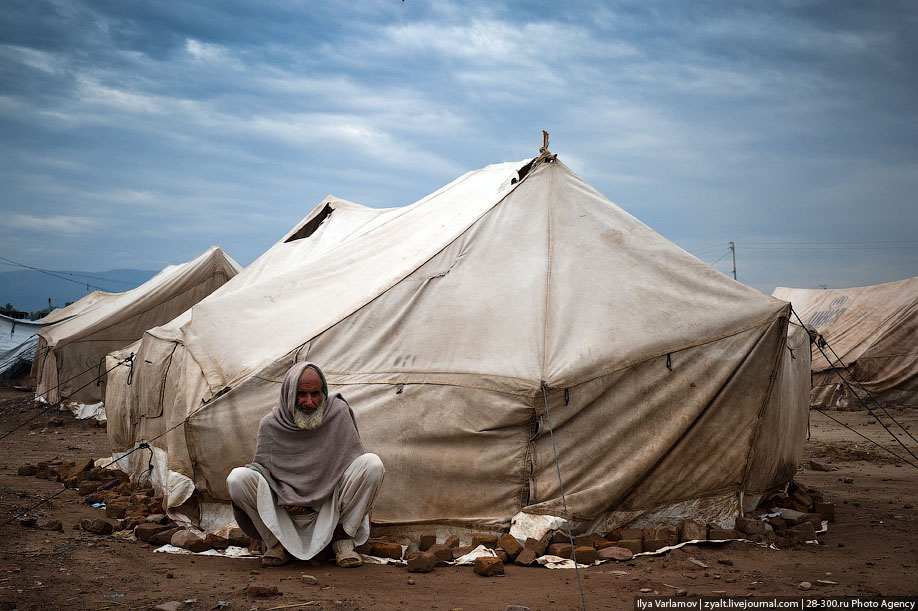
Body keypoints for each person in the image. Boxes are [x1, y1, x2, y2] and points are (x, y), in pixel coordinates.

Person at [226, 362, 385, 567]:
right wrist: (286, 497)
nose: (309, 402)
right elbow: (264, 472)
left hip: (329, 506)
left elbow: (349, 464)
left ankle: (342, 541)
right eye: (301, 394)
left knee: (372, 464)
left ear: (324, 392)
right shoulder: (271, 424)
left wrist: (313, 501)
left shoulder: (337, 413)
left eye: (315, 394)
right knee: (237, 479)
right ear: (289, 393)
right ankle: (275, 544)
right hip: (285, 512)